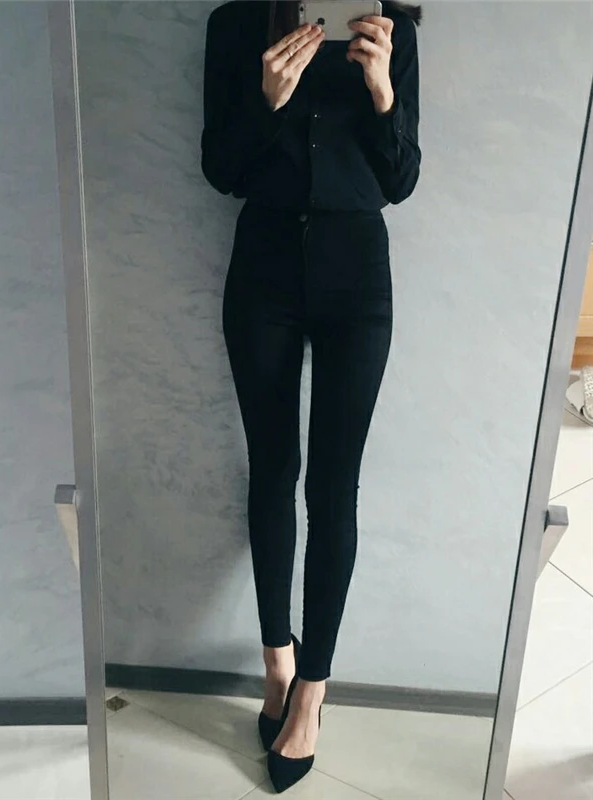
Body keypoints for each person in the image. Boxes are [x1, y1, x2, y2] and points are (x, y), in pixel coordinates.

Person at [201, 0, 422, 792]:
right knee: (273, 470)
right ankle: (277, 661)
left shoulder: (392, 33)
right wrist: (267, 100)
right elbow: (221, 170)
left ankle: (314, 691)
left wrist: (383, 91)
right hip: (263, 268)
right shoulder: (236, 25)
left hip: (356, 274)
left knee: (334, 489)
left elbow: (400, 180)